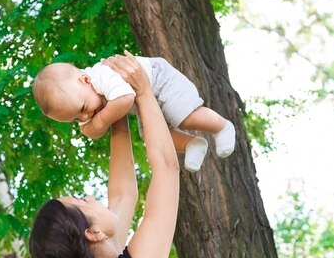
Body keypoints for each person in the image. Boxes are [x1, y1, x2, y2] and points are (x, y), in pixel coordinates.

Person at [29, 51, 193, 258]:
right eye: (83, 200)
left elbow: (123, 193)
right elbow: (166, 167)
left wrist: (115, 101)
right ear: (92, 233)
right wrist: (142, 90)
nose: (93, 197)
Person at [32, 54, 235, 172]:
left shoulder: (101, 75)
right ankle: (193, 143)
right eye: (76, 119)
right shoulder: (81, 98)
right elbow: (90, 131)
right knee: (151, 136)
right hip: (144, 101)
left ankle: (221, 126)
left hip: (160, 81)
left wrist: (100, 121)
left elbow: (125, 99)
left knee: (183, 116)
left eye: (83, 110)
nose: (84, 117)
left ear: (85, 81)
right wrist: (92, 125)